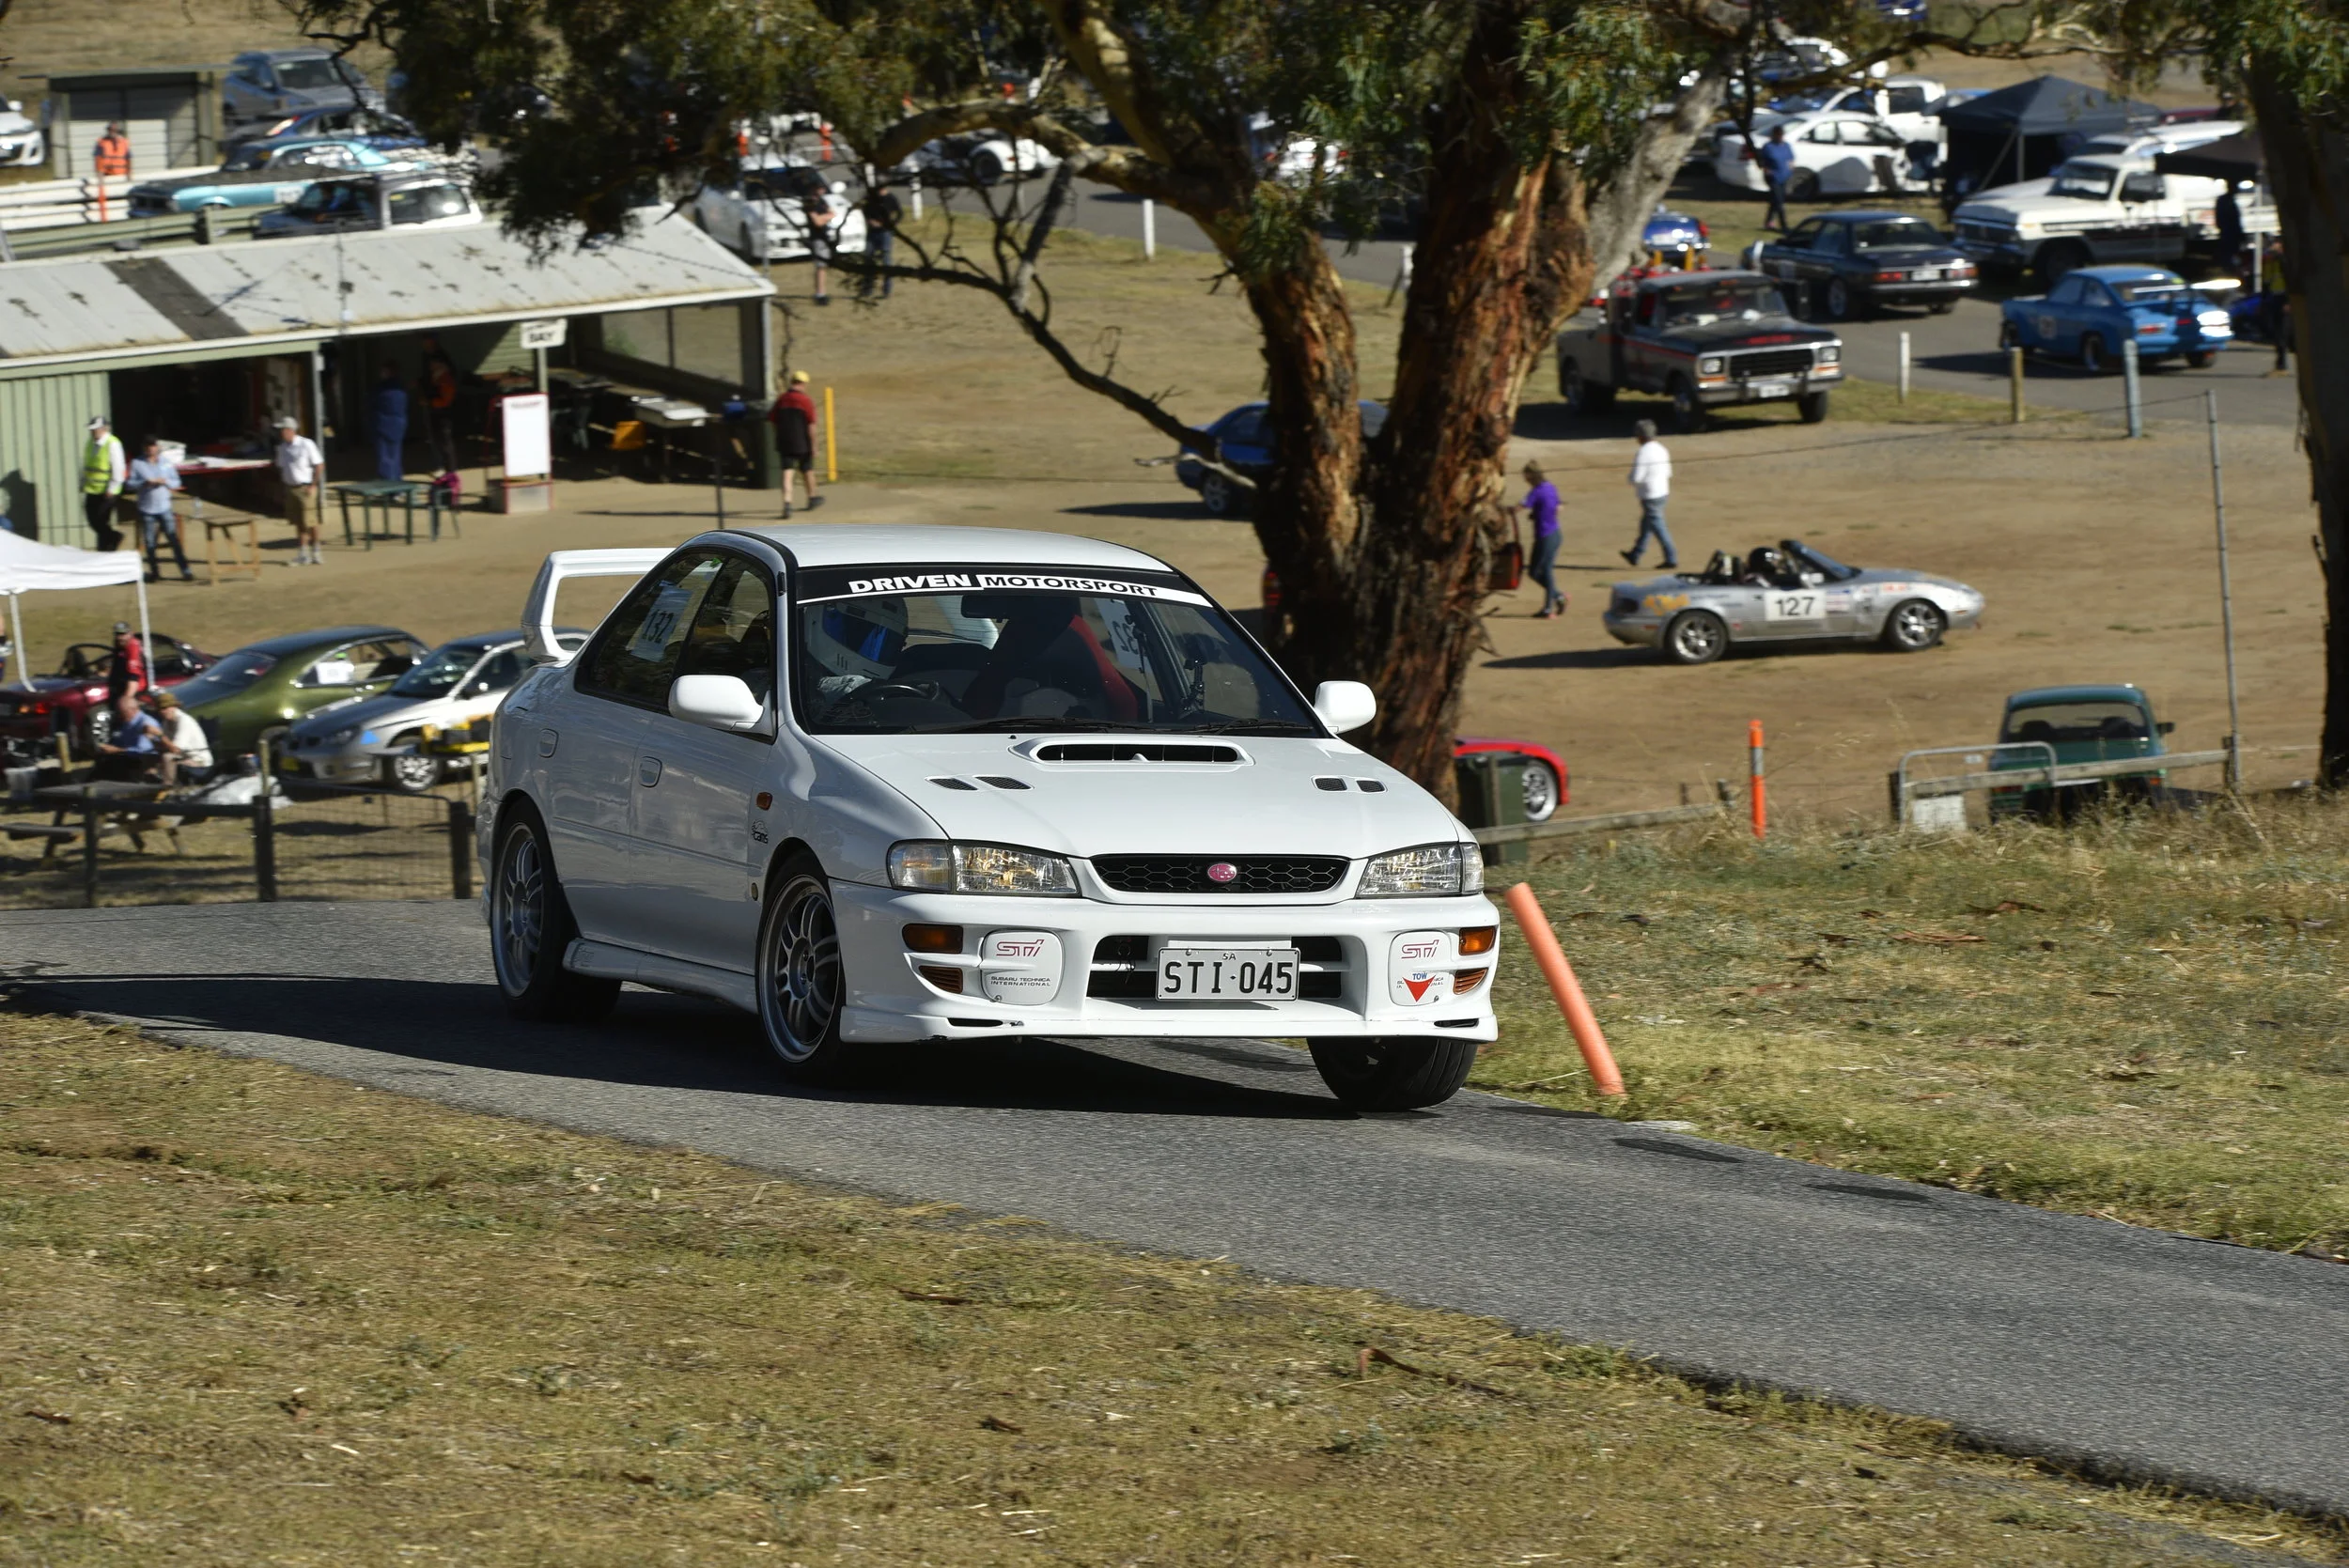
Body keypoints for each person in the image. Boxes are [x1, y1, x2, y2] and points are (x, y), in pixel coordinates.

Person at [129, 437, 191, 582]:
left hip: (164, 507)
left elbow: (177, 482)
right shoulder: (137, 463)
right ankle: (155, 572)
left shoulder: (166, 463)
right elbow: (129, 484)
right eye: (148, 446)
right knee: (150, 543)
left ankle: (186, 570)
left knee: (173, 540)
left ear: (158, 447)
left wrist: (166, 481)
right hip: (147, 508)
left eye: (154, 446)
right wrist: (144, 482)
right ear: (144, 448)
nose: (152, 449)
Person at [1622, 420, 1677, 569]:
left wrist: (1630, 479)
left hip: (1650, 494)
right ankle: (1636, 553)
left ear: (1640, 436)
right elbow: (1668, 472)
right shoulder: (1661, 449)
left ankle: (1671, 557)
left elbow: (1637, 477)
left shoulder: (1643, 452)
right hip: (1662, 492)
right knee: (1646, 524)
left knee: (1658, 526)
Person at [769, 369, 822, 515]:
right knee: (807, 470)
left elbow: (773, 420)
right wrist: (814, 445)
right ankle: (812, 497)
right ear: (804, 384)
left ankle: (787, 503)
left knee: (787, 472)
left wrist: (778, 436)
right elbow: (811, 425)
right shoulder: (806, 401)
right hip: (803, 443)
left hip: (785, 442)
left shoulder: (782, 399)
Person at [274, 415, 326, 566]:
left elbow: (319, 465)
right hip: (291, 488)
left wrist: (313, 485)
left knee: (311, 521)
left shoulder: (306, 444)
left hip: (305, 488)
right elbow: (281, 467)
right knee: (298, 522)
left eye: (283, 430)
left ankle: (316, 551)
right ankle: (303, 553)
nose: (281, 433)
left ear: (290, 430)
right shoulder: (282, 447)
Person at [1520, 460, 1563, 618]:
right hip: (1555, 534)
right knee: (1537, 571)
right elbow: (1558, 507)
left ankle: (1548, 608)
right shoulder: (1550, 487)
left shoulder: (1536, 491)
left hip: (1545, 536)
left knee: (1542, 570)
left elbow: (1521, 506)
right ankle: (1558, 596)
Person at [81, 415, 127, 552]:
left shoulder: (112, 443)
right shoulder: (90, 443)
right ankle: (112, 539)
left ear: (104, 428)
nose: (93, 432)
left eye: (96, 429)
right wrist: (82, 482)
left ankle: (107, 547)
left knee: (101, 521)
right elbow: (87, 464)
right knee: (93, 520)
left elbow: (118, 468)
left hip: (107, 491)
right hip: (92, 489)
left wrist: (112, 488)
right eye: (92, 430)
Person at [93, 691, 162, 782]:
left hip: (142, 762)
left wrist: (116, 750)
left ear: (132, 710)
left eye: (122, 712)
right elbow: (119, 740)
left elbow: (143, 751)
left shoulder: (145, 724)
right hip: (126, 759)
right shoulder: (128, 722)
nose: (119, 714)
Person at [417, 334, 460, 474]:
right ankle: (440, 464)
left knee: (445, 439)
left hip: (443, 410)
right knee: (434, 437)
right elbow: (425, 379)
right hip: (432, 406)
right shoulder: (426, 360)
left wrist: (429, 401)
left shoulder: (446, 379)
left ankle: (450, 469)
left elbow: (445, 400)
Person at [150, 690, 212, 785]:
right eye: (160, 709)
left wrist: (160, 735)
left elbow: (175, 749)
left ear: (173, 707)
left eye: (165, 708)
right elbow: (166, 745)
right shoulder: (167, 722)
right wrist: (151, 739)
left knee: (168, 757)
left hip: (198, 760)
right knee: (151, 755)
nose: (162, 711)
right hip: (182, 756)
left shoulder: (184, 721)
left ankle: (168, 787)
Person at [859, 185, 903, 299]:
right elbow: (864, 209)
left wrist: (889, 224)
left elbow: (899, 213)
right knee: (869, 259)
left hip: (885, 233)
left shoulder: (890, 198)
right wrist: (870, 221)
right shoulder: (871, 198)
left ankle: (886, 289)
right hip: (872, 232)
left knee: (886, 260)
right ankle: (867, 288)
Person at [372, 363, 409, 482]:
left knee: (384, 458)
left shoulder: (381, 389)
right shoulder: (401, 387)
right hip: (399, 425)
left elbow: (372, 404)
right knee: (396, 457)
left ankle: (388, 486)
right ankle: (398, 483)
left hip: (383, 425)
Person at [2260, 236, 2290, 376]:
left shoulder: (2284, 259)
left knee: (2282, 333)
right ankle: (2280, 364)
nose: (2272, 246)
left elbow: (2290, 280)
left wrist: (2288, 302)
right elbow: (2266, 280)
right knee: (2276, 331)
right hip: (2273, 298)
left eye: (2275, 244)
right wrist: (2264, 299)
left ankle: (2281, 366)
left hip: (2283, 298)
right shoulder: (2269, 259)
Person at [1758, 126, 1796, 232]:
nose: (1780, 137)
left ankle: (1768, 222)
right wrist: (1768, 171)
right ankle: (1784, 225)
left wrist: (1791, 171)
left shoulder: (1786, 146)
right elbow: (1763, 162)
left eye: (1781, 135)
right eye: (1778, 135)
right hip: (1773, 178)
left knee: (1776, 200)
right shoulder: (1768, 147)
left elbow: (1791, 159)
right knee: (1779, 202)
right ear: (1774, 135)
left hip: (1784, 177)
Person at [804, 187, 835, 304]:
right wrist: (826, 217)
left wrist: (824, 217)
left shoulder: (822, 202)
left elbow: (833, 214)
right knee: (820, 266)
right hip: (817, 238)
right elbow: (817, 222)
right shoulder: (809, 204)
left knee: (824, 267)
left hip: (825, 237)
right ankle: (820, 293)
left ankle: (822, 292)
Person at [105, 621, 148, 706]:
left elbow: (133, 678)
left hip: (133, 694)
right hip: (120, 690)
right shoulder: (120, 648)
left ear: (130, 634)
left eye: (123, 634)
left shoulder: (133, 648)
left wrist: (127, 699)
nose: (120, 637)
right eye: (118, 634)